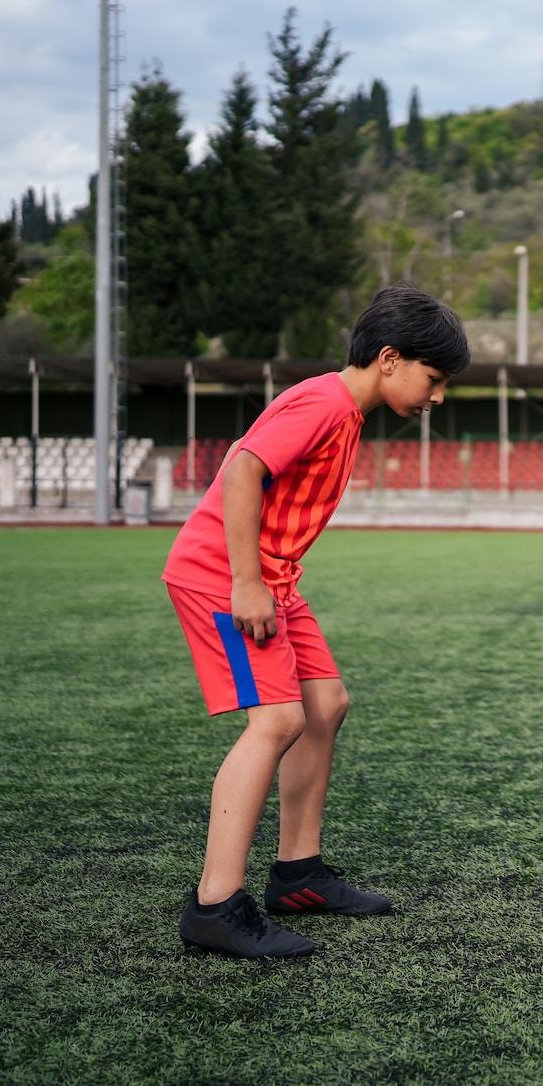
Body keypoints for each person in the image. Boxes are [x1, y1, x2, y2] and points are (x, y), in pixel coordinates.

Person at [162, 286, 469, 958]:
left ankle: (298, 874)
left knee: (325, 704)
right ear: (390, 359)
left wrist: (264, 580)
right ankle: (214, 904)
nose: (436, 395)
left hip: (273, 579)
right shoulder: (324, 403)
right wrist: (246, 583)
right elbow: (243, 470)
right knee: (276, 722)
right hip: (225, 574)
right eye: (434, 378)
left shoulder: (347, 413)